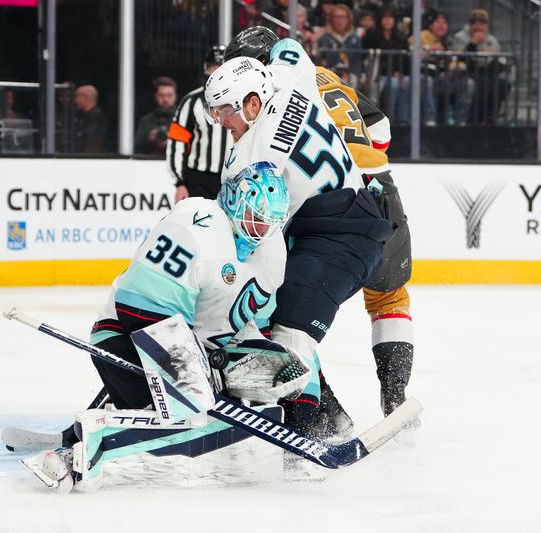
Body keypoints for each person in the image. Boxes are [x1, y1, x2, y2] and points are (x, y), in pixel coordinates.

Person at [28, 162, 296, 491]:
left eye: (269, 222)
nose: (260, 230)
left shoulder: (268, 253)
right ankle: (79, 447)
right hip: (123, 337)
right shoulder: (200, 219)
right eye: (254, 217)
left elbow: (255, 322)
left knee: (276, 367)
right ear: (235, 201)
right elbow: (138, 303)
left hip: (190, 345)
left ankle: (84, 434)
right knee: (190, 407)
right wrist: (193, 372)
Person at [224, 26, 417, 434]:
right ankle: (395, 397)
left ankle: (323, 412)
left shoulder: (275, 95)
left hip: (329, 204)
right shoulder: (324, 74)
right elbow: (380, 127)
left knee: (286, 306)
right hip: (380, 187)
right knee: (389, 299)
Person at [166, 45, 230, 203]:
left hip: (233, 179)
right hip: (199, 180)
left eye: (219, 68)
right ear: (205, 69)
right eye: (211, 68)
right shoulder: (191, 101)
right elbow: (176, 143)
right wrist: (180, 183)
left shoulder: (242, 100)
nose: (214, 73)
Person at [450, 9, 509, 126]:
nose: (478, 26)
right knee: (477, 84)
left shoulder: (492, 41)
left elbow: (499, 60)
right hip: (466, 71)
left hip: (487, 72)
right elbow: (460, 58)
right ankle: (472, 120)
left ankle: (490, 118)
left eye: (482, 23)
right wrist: (473, 43)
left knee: (502, 83)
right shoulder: (460, 37)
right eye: (474, 22)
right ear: (469, 24)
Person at [363, 7, 411, 125]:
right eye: (385, 17)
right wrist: (392, 72)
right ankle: (390, 119)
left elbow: (405, 59)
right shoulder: (372, 34)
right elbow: (369, 57)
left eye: (390, 18)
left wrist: (401, 72)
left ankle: (403, 119)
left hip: (397, 73)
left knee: (407, 82)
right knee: (393, 84)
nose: (387, 21)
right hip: (378, 73)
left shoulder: (401, 37)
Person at [317, 4, 364, 86]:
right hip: (329, 76)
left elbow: (357, 60)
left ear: (348, 19)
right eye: (336, 17)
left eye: (343, 17)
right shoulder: (324, 38)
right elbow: (321, 60)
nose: (340, 20)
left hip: (351, 77)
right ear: (331, 19)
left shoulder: (354, 38)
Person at [134, 76, 178, 155]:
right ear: (155, 96)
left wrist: (174, 142)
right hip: (150, 163)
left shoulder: (184, 119)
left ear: (175, 96)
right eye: (161, 95)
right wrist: (149, 140)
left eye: (169, 95)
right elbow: (136, 151)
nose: (165, 99)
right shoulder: (146, 121)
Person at [74, 85, 108, 153]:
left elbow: (93, 141)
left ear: (83, 97)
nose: (75, 100)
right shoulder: (80, 116)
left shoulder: (98, 117)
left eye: (77, 96)